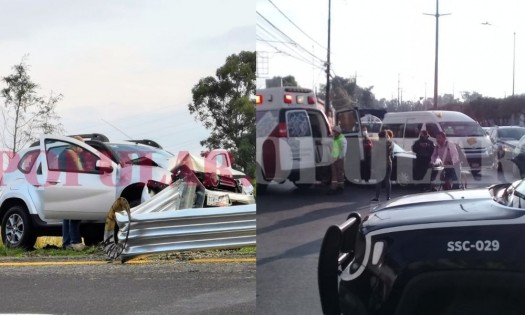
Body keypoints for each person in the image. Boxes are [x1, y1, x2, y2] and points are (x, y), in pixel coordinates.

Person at [59, 135, 86, 251]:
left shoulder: (62, 153)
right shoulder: (72, 154)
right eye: (81, 147)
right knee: (75, 215)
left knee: (67, 216)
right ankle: (75, 241)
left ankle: (66, 243)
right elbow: (80, 170)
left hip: (65, 185)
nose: (82, 149)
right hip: (74, 186)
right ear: (77, 145)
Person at [371, 129, 393, 201]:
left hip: (379, 164)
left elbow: (374, 155)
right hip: (388, 163)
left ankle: (377, 197)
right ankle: (388, 197)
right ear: (386, 135)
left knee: (379, 181)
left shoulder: (377, 144)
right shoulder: (390, 143)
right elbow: (391, 154)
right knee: (387, 180)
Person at [328, 125, 347, 194]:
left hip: (339, 158)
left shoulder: (342, 139)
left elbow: (343, 150)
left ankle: (339, 187)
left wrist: (340, 157)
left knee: (339, 173)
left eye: (334, 131)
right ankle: (335, 187)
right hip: (334, 158)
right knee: (335, 173)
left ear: (337, 132)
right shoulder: (335, 138)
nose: (332, 132)